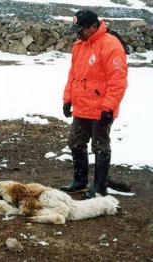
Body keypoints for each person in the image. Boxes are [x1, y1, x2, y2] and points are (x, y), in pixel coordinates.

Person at [60, 9, 128, 199]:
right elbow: (73, 75)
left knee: (100, 146)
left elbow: (118, 81)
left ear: (93, 26)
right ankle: (80, 181)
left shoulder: (111, 45)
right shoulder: (79, 45)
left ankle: (99, 188)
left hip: (101, 109)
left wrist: (109, 108)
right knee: (75, 143)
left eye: (80, 29)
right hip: (81, 106)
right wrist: (67, 99)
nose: (77, 33)